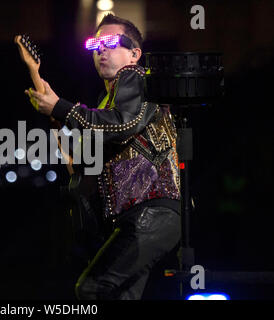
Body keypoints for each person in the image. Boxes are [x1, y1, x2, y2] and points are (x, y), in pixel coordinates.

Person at [25, 14, 181, 300]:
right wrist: (58, 122)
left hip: (151, 212)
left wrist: (62, 108)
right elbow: (86, 160)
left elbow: (122, 124)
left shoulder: (135, 78)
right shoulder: (104, 103)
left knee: (92, 288)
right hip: (138, 218)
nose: (100, 50)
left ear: (134, 54)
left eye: (109, 42)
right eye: (94, 44)